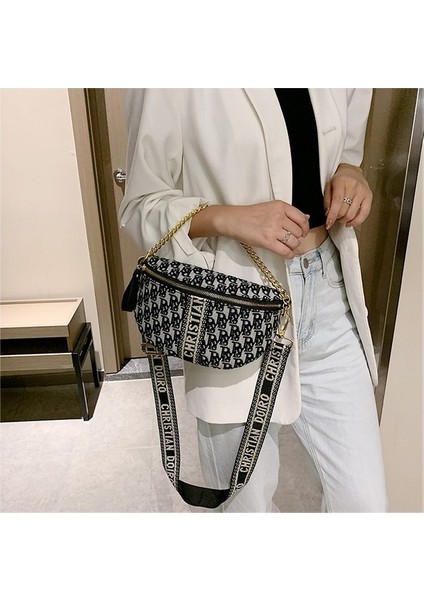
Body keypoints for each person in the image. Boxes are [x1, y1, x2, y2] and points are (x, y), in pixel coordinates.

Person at [118, 88, 388, 513]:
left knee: (365, 505)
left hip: (328, 294)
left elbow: (345, 149)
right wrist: (231, 218)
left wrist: (351, 169)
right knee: (247, 510)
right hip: (234, 310)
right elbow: (141, 205)